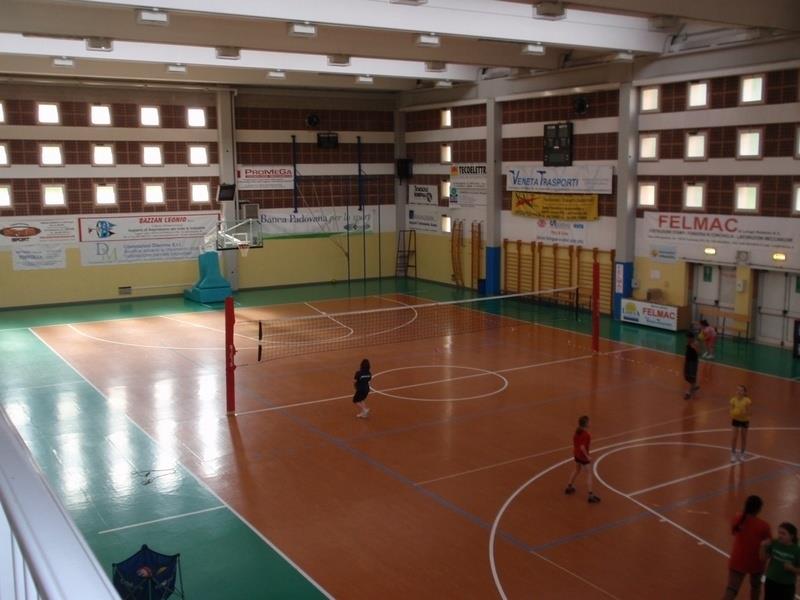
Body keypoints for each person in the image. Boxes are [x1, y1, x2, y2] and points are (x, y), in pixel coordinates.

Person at [723, 495, 771, 600]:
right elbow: (768, 544)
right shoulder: (764, 526)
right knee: (755, 588)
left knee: (731, 589)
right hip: (756, 562)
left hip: (738, 560)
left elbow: (733, 532)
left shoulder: (737, 518)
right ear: (759, 509)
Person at [564, 415, 600, 503]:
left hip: (576, 454)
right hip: (583, 457)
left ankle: (569, 487)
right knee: (589, 474)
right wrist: (587, 456)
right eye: (589, 421)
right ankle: (590, 495)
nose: (590, 423)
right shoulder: (586, 435)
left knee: (577, 470)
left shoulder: (577, 432)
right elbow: (582, 447)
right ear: (586, 424)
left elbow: (577, 444)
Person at [761, 522, 800, 600]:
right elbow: (763, 559)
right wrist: (762, 546)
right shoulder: (774, 543)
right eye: (779, 532)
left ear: (791, 536)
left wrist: (792, 568)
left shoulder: (797, 550)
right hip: (771, 581)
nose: (780, 535)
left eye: (783, 533)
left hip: (787, 585)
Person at [730, 385, 752, 463]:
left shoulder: (747, 401)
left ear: (744, 392)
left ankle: (742, 454)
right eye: (738, 390)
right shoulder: (733, 400)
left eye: (741, 390)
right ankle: (733, 454)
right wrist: (733, 413)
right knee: (734, 438)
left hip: (744, 421)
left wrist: (745, 413)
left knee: (743, 437)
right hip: (735, 420)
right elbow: (731, 411)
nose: (739, 391)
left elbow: (750, 412)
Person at [683, 332, 700, 400]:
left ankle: (689, 393)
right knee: (686, 376)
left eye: (688, 338)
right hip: (687, 361)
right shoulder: (688, 342)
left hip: (693, 362)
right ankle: (694, 386)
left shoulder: (696, 343)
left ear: (692, 338)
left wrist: (695, 348)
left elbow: (699, 352)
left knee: (692, 377)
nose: (687, 339)